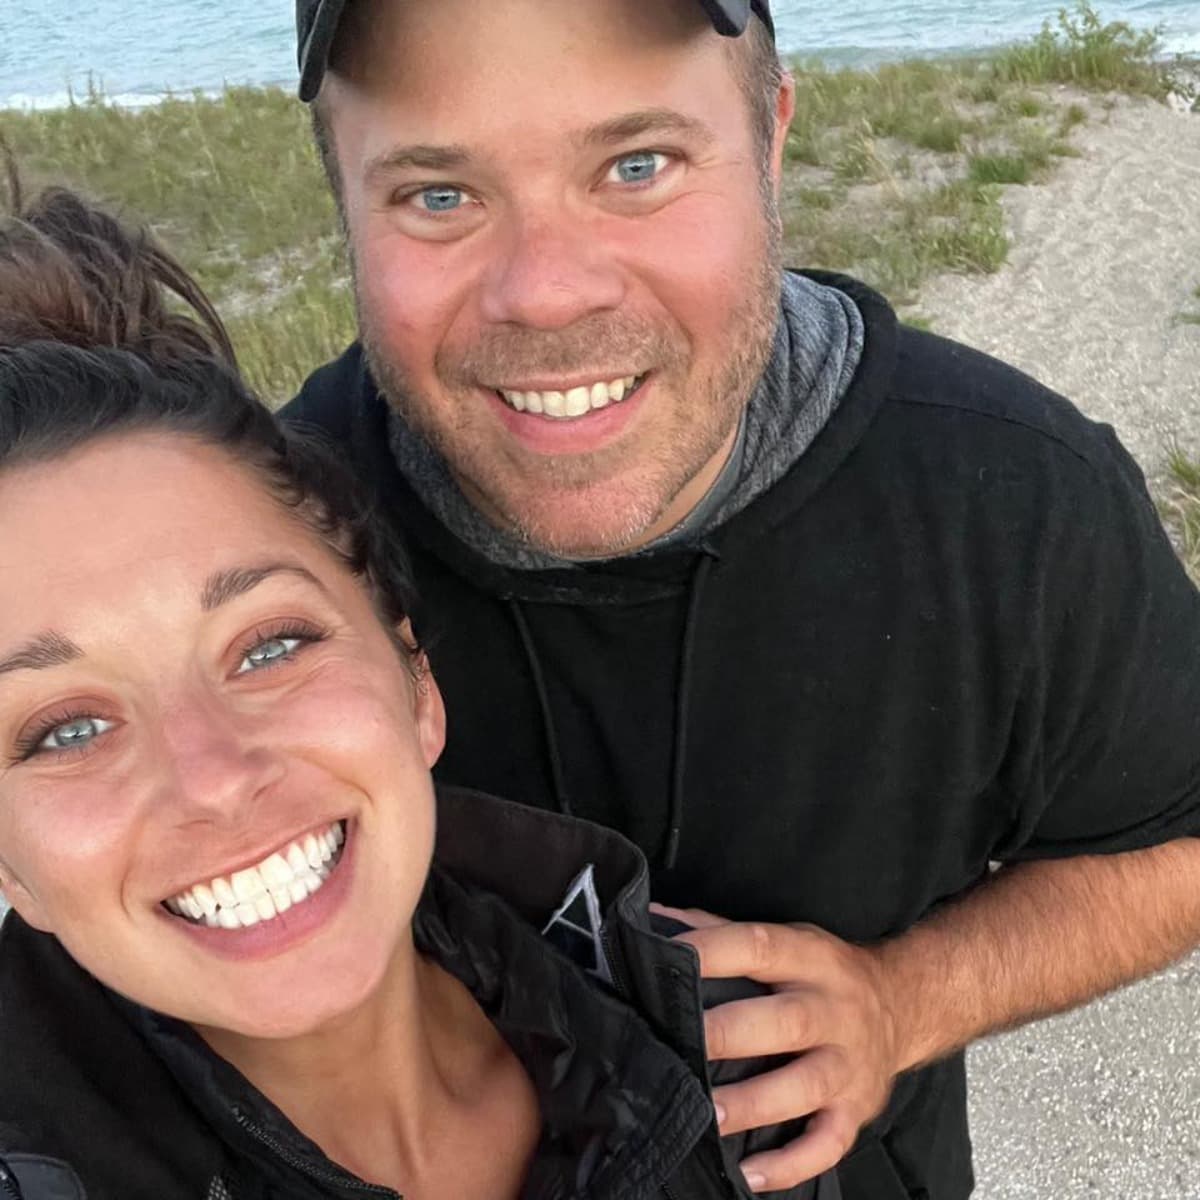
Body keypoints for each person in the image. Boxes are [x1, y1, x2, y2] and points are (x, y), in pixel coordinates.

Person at [283, 0, 1200, 1196]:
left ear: (771, 139)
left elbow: (1176, 842)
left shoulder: (1017, 498)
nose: (547, 293)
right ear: (343, 203)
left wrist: (904, 1000)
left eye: (638, 166)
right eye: (439, 195)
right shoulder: (274, 555)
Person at [0, 189, 844, 1200]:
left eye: (268, 648)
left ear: (415, 683)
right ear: (11, 868)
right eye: (67, 730)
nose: (215, 779)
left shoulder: (699, 1018)